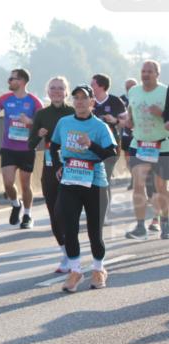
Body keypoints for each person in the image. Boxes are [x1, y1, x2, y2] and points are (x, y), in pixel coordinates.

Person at [50, 85, 118, 291]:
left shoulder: (99, 127)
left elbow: (111, 152)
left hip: (95, 183)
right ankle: (75, 271)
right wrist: (58, 166)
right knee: (68, 226)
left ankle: (98, 269)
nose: (79, 102)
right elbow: (53, 146)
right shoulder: (64, 122)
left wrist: (91, 145)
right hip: (70, 181)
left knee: (94, 232)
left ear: (92, 103)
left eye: (84, 98)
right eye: (76, 98)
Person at [28, 77, 75, 273]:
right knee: (54, 212)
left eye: (60, 88)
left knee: (69, 212)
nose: (56, 91)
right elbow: (29, 145)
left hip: (72, 167)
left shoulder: (73, 112)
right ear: (48, 92)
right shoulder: (42, 114)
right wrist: (38, 134)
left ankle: (74, 252)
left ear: (66, 91)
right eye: (52, 88)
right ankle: (65, 253)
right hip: (49, 167)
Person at [0, 68, 43, 229]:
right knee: (7, 184)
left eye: (12, 79)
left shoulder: (34, 101)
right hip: (8, 147)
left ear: (21, 81)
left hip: (27, 149)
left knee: (25, 185)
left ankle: (27, 215)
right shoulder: (5, 98)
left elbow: (42, 123)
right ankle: (15, 204)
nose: (9, 81)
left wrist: (30, 121)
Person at [124, 60, 169, 240]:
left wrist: (161, 114)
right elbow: (131, 110)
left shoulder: (165, 92)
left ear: (157, 74)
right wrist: (129, 120)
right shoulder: (134, 91)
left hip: (162, 145)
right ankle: (141, 226)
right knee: (138, 184)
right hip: (140, 145)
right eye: (143, 71)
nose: (145, 74)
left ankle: (165, 223)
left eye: (150, 71)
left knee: (160, 187)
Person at [90, 73, 127, 226]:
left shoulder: (115, 101)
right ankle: (95, 209)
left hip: (111, 145)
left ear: (101, 86)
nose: (91, 87)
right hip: (91, 145)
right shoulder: (89, 101)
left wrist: (115, 120)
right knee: (93, 178)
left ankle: (104, 212)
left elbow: (127, 122)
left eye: (93, 85)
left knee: (103, 177)